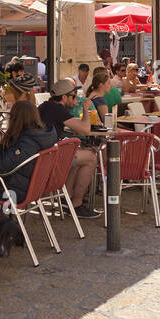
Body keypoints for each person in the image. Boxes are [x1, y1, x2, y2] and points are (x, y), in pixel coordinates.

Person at [35, 80, 101, 218]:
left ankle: (66, 199)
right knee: (91, 158)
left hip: (41, 156)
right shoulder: (57, 109)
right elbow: (85, 130)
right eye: (73, 96)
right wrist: (86, 109)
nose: (76, 99)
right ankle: (77, 204)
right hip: (47, 159)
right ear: (64, 97)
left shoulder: (46, 106)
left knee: (78, 155)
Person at [0, 100, 58, 208]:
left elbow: (0, 167)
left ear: (16, 119)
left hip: (14, 191)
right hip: (32, 186)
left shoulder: (27, 143)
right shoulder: (42, 136)